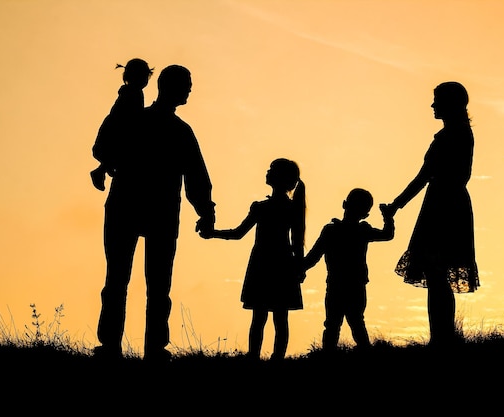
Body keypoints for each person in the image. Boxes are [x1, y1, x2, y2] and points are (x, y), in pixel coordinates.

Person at [94, 64, 216, 362]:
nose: (190, 89)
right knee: (151, 284)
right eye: (186, 83)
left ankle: (117, 348)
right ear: (169, 86)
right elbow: (196, 178)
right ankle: (149, 350)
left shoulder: (145, 122)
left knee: (123, 281)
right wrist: (206, 211)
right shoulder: (176, 130)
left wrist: (205, 209)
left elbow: (102, 148)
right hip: (151, 211)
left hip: (131, 207)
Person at [384, 81, 480, 347]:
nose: (433, 105)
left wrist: (396, 205)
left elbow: (423, 176)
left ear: (450, 103)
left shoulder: (451, 136)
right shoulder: (460, 133)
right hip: (450, 203)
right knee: (437, 274)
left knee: (436, 273)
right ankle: (442, 337)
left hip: (443, 206)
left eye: (437, 100)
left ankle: (441, 339)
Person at [201, 158, 306, 361]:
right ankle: (277, 358)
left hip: (262, 263)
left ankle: (254, 357)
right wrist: (299, 268)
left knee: (259, 317)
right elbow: (297, 243)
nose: (267, 172)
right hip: (283, 264)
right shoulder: (290, 208)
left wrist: (213, 233)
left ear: (280, 178)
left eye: (271, 170)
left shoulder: (261, 207)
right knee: (280, 317)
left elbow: (238, 233)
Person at [303, 188, 395, 353]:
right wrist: (388, 216)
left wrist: (299, 269)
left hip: (336, 284)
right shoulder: (362, 231)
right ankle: (364, 352)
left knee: (333, 324)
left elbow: (313, 257)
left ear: (344, 204)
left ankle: (328, 356)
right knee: (356, 322)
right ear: (366, 214)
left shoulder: (331, 230)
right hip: (355, 285)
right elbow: (388, 235)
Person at [91, 58, 154, 191]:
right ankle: (101, 171)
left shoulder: (130, 91)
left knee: (115, 154)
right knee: (119, 150)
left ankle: (102, 170)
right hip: (118, 128)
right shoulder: (133, 93)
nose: (144, 80)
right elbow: (131, 115)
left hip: (116, 126)